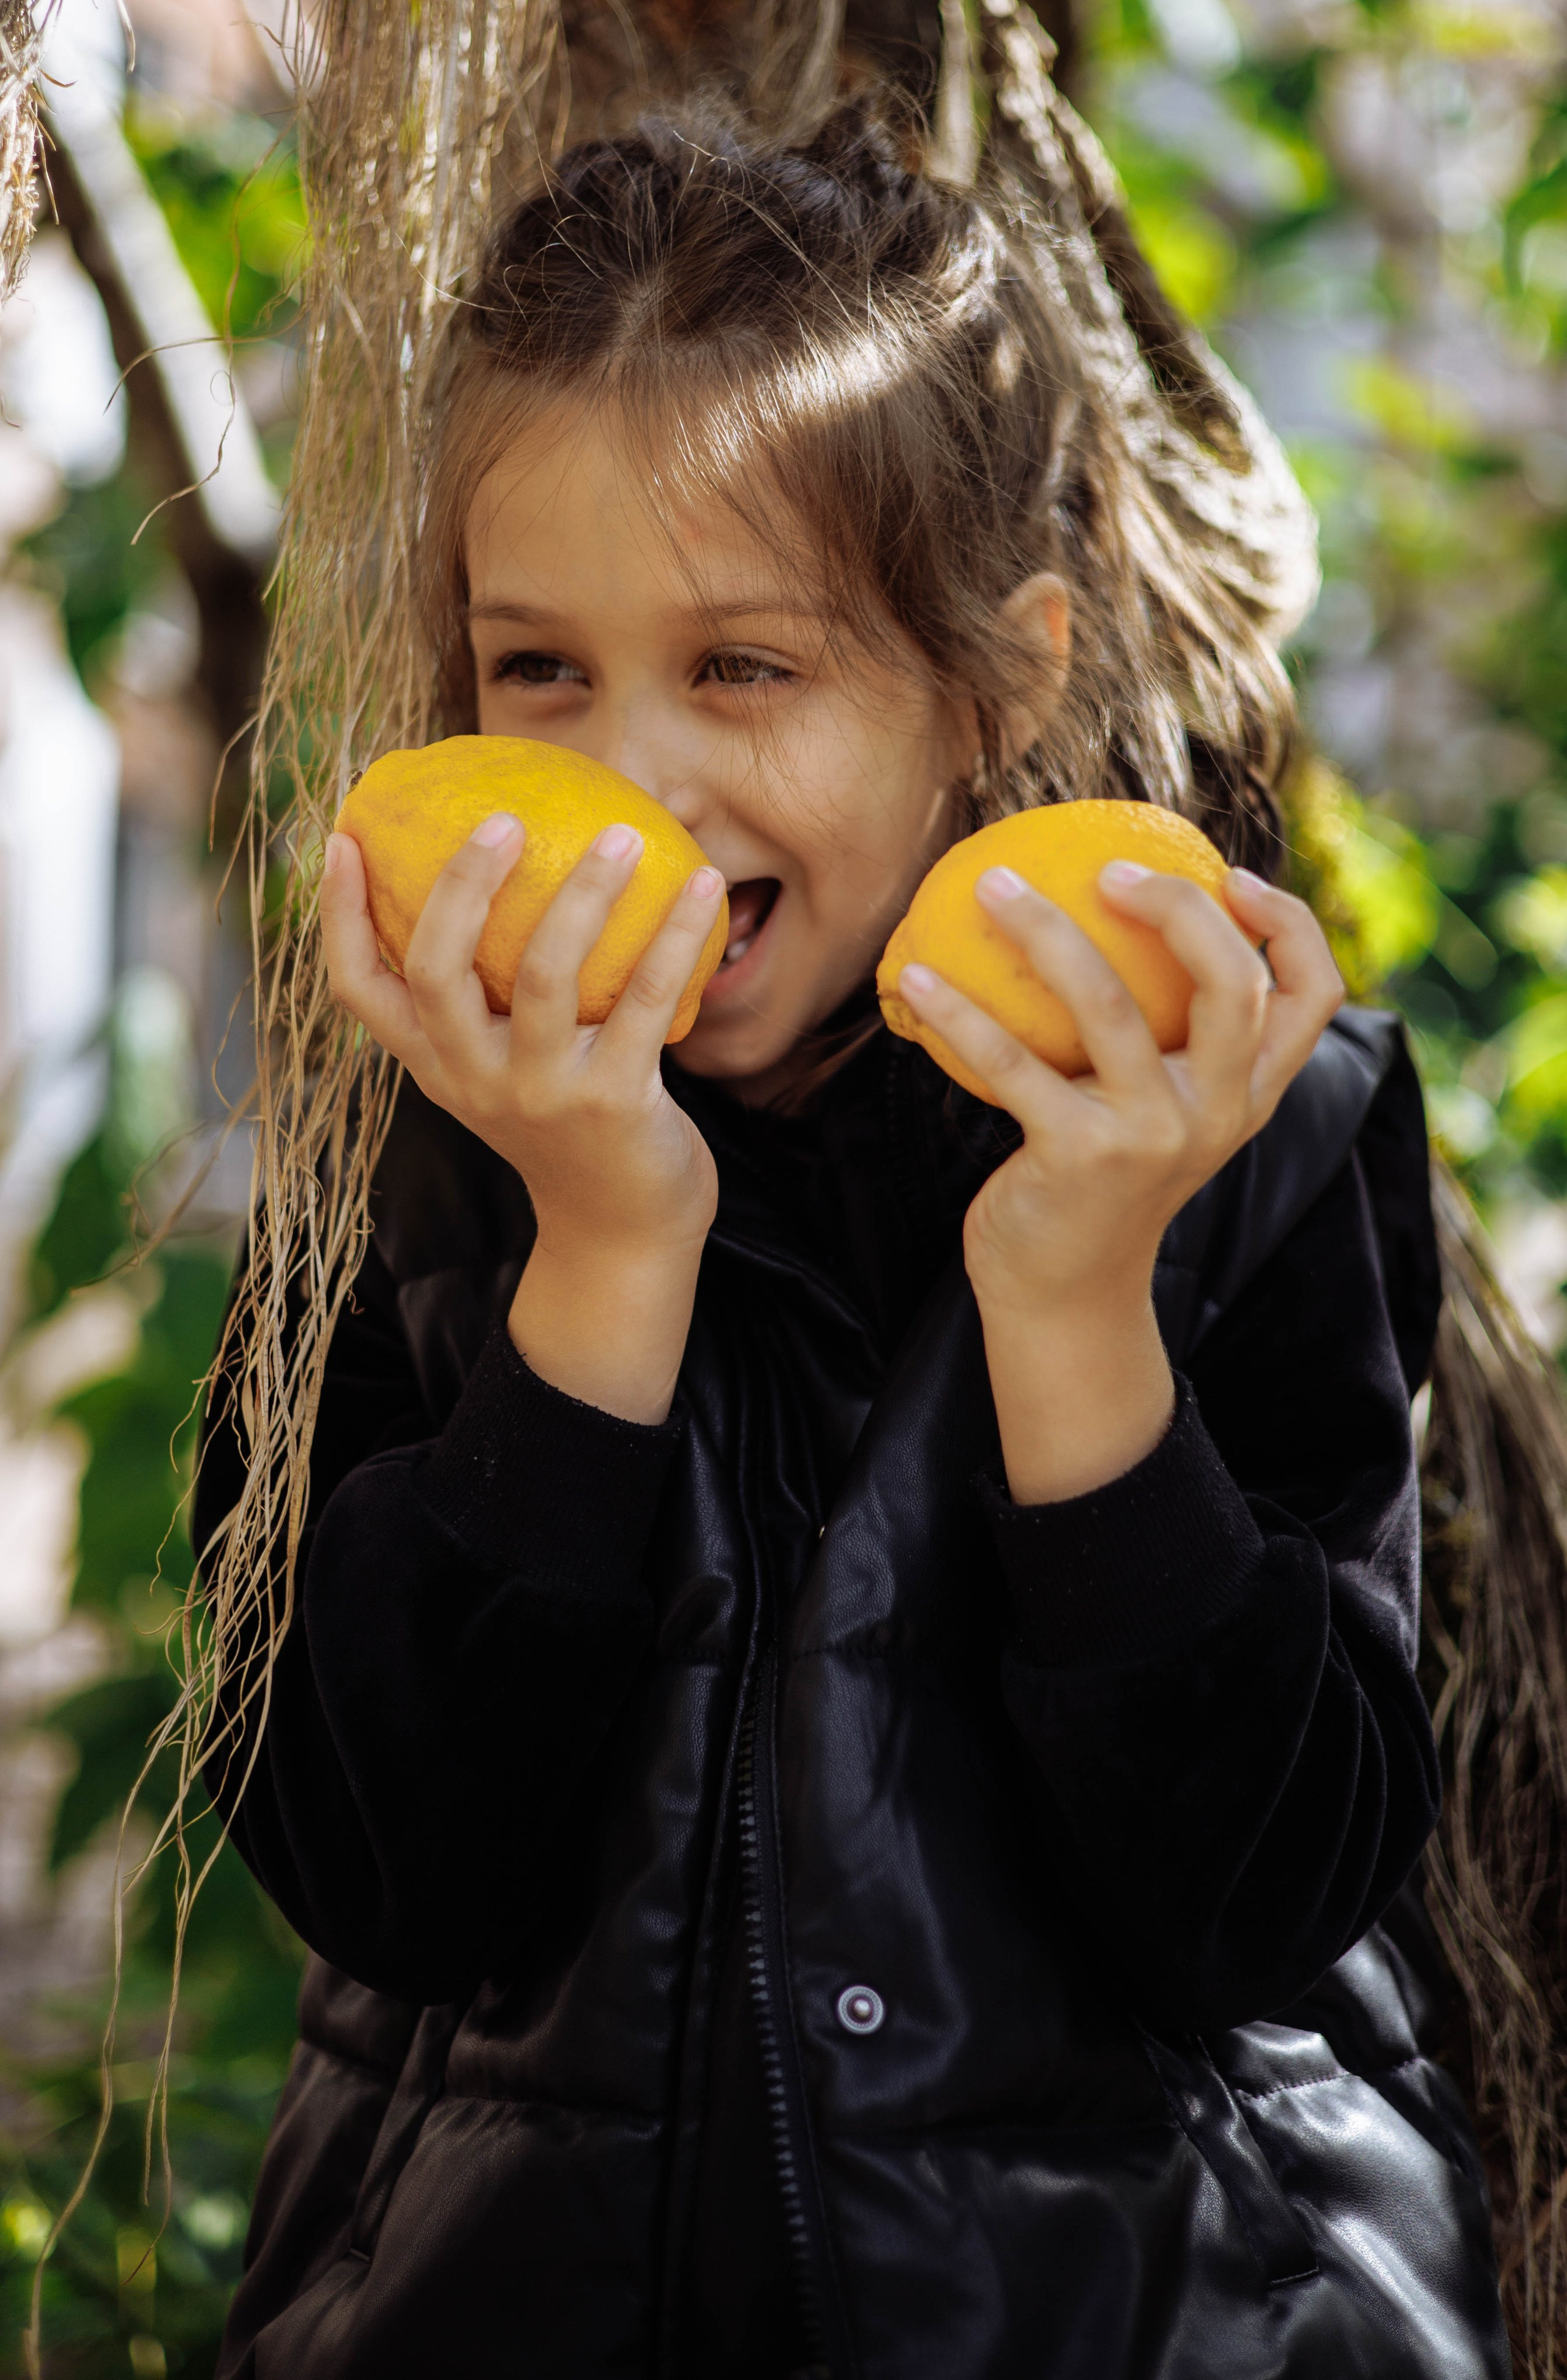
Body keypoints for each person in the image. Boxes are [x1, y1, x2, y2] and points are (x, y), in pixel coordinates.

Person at [195, 97, 1510, 2379]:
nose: (629, 782)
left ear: (993, 683)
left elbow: (1260, 1900)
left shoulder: (1255, 1134)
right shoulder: (394, 1155)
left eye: (742, 668)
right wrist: (596, 1252)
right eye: (539, 670)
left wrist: (1081, 1300)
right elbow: (392, 1867)